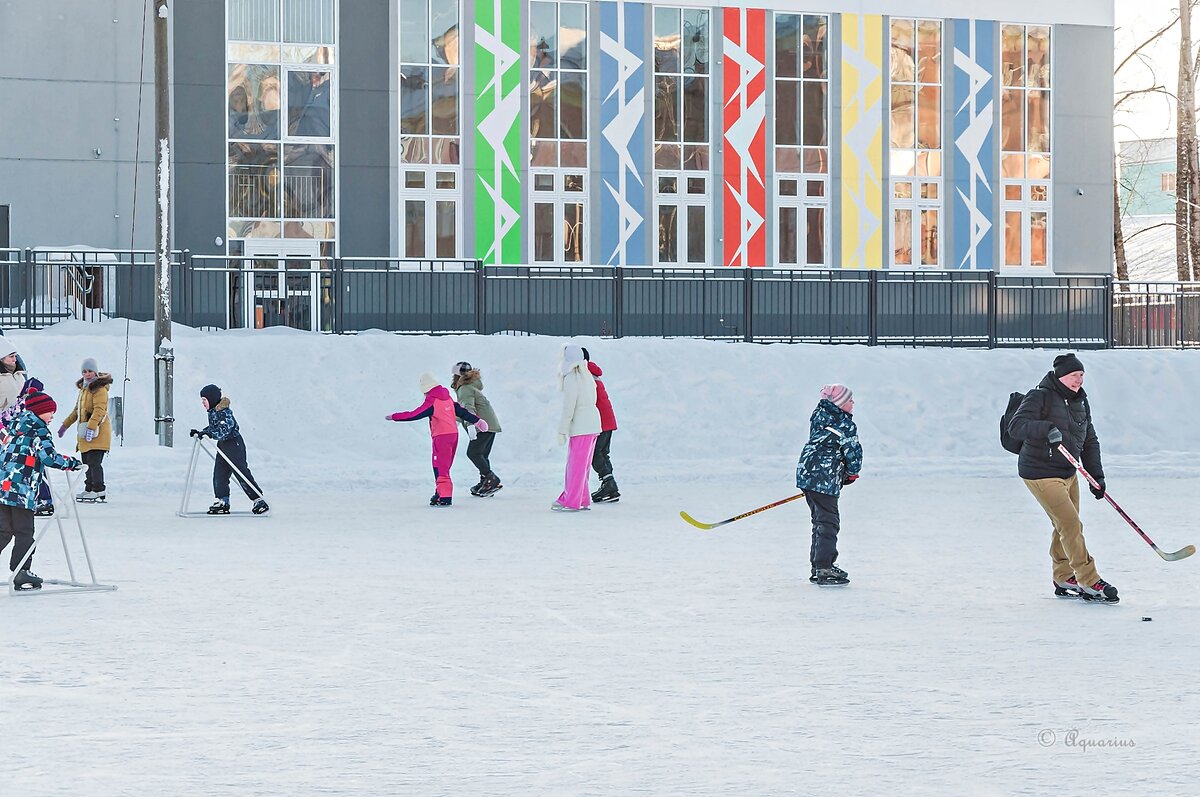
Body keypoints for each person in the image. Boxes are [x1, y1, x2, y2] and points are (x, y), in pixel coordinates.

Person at [1007, 353, 1117, 603]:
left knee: (1065, 525)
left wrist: (1096, 476)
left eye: (1081, 375)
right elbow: (1017, 425)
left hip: (1068, 471)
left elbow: (1089, 440)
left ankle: (1063, 575)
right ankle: (1089, 580)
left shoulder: (1080, 401)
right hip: (1040, 472)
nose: (1079, 380)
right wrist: (1046, 428)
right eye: (1073, 375)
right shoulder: (1040, 396)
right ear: (1060, 376)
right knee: (1070, 525)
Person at [0, 390, 83, 590]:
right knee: (25, 532)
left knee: (4, 531)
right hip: (22, 490)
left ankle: (21, 569)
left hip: (4, 487)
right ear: (39, 411)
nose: (53, 416)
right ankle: (22, 571)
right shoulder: (39, 429)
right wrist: (72, 463)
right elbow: (49, 457)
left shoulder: (15, 427)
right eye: (50, 412)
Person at [386, 372, 488, 507]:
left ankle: (445, 497)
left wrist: (395, 416)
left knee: (440, 467)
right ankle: (439, 493)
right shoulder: (447, 398)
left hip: (442, 437)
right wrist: (477, 421)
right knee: (443, 466)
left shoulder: (432, 401)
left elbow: (414, 414)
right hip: (453, 435)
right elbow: (461, 411)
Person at [795, 384, 863, 586]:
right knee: (828, 522)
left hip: (807, 474)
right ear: (840, 403)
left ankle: (819, 566)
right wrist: (851, 473)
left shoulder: (820, 417)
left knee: (820, 521)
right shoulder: (844, 424)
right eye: (850, 400)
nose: (853, 403)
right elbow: (853, 453)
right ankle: (824, 567)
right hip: (823, 478)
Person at [189, 384, 269, 515]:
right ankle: (222, 501)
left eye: (204, 400)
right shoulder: (213, 412)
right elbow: (214, 427)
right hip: (223, 445)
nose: (202, 403)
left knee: (241, 472)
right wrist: (202, 432)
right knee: (219, 474)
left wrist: (210, 434)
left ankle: (258, 499)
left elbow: (224, 430)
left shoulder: (224, 412)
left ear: (212, 399)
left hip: (234, 445)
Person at [553, 345, 602, 512]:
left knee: (575, 466)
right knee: (583, 466)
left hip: (581, 425)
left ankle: (572, 501)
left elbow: (569, 407)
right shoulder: (586, 375)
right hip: (593, 424)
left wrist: (562, 430)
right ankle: (581, 498)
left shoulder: (571, 378)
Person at [57, 358, 112, 503]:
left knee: (94, 463)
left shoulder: (100, 389)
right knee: (86, 462)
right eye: (84, 371)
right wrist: (65, 425)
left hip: (98, 432)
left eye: (89, 371)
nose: (87, 374)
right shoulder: (84, 389)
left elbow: (99, 411)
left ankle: (98, 490)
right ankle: (89, 489)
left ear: (95, 371)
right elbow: (77, 410)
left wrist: (91, 427)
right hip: (85, 432)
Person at [2, 377, 55, 517]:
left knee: (33, 474)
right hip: (18, 447)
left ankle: (43, 500)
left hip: (22, 448)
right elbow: (5, 419)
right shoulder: (21, 405)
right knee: (21, 474)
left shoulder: (36, 406)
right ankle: (32, 500)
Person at [451, 362, 503, 497]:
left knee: (473, 453)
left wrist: (471, 425)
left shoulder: (465, 389)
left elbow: (469, 408)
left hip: (482, 425)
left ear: (458, 376)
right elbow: (461, 409)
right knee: (482, 455)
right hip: (490, 424)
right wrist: (455, 422)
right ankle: (486, 482)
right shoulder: (470, 387)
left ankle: (491, 479)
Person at [581, 347, 620, 504]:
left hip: (600, 421)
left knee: (595, 454)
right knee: (603, 453)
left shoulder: (585, 374)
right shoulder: (594, 373)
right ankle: (610, 485)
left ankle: (609, 484)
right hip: (608, 420)